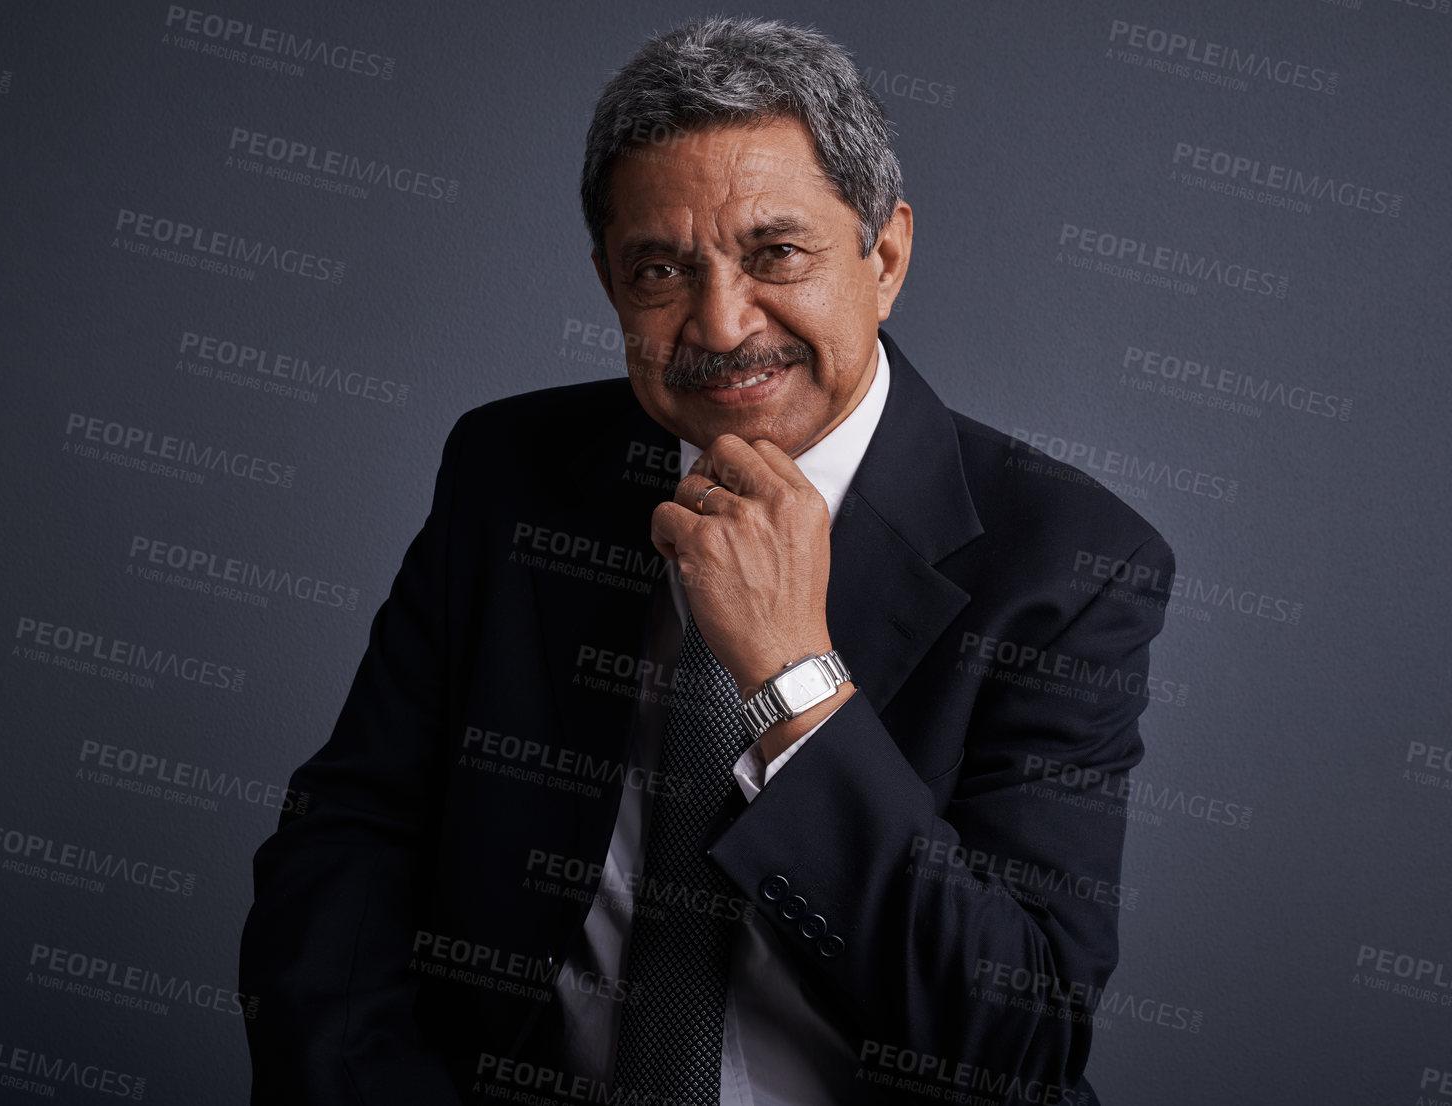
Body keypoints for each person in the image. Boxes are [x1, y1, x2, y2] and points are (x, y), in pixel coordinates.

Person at [239, 15, 1175, 1106]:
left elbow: (1013, 1036)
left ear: (885, 256)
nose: (721, 325)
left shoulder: (1070, 564)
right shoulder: (510, 472)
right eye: (662, 268)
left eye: (776, 253)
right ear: (607, 281)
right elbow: (349, 853)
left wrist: (793, 679)